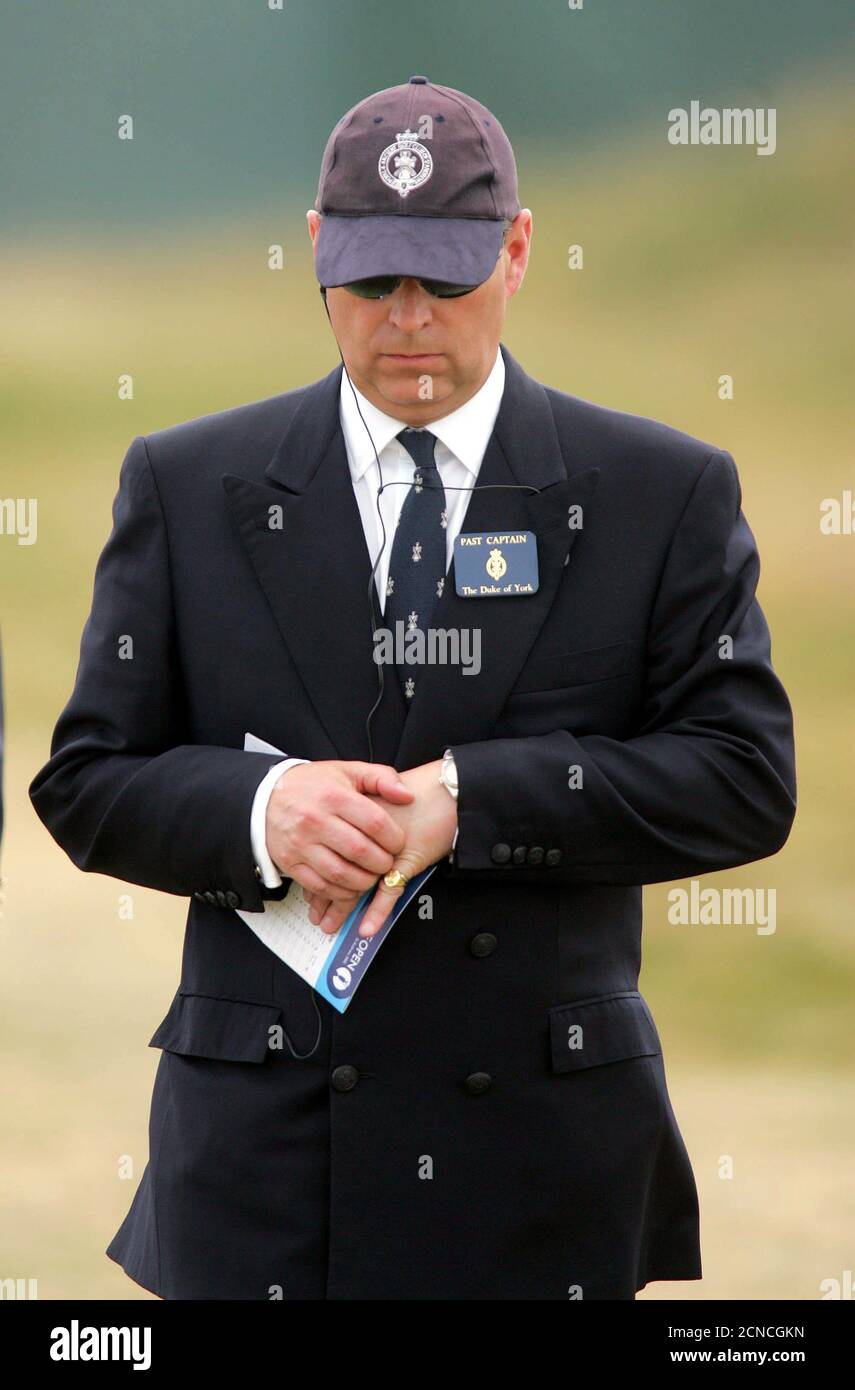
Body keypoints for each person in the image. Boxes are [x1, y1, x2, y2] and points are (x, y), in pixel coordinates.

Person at [29, 76, 796, 1300]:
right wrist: (260, 813)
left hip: (542, 1171)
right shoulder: (184, 482)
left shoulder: (661, 491)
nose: (408, 320)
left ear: (519, 247)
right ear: (318, 251)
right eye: (374, 280)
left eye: (446, 278)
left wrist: (475, 801)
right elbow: (86, 781)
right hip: (265, 1175)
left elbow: (746, 782)